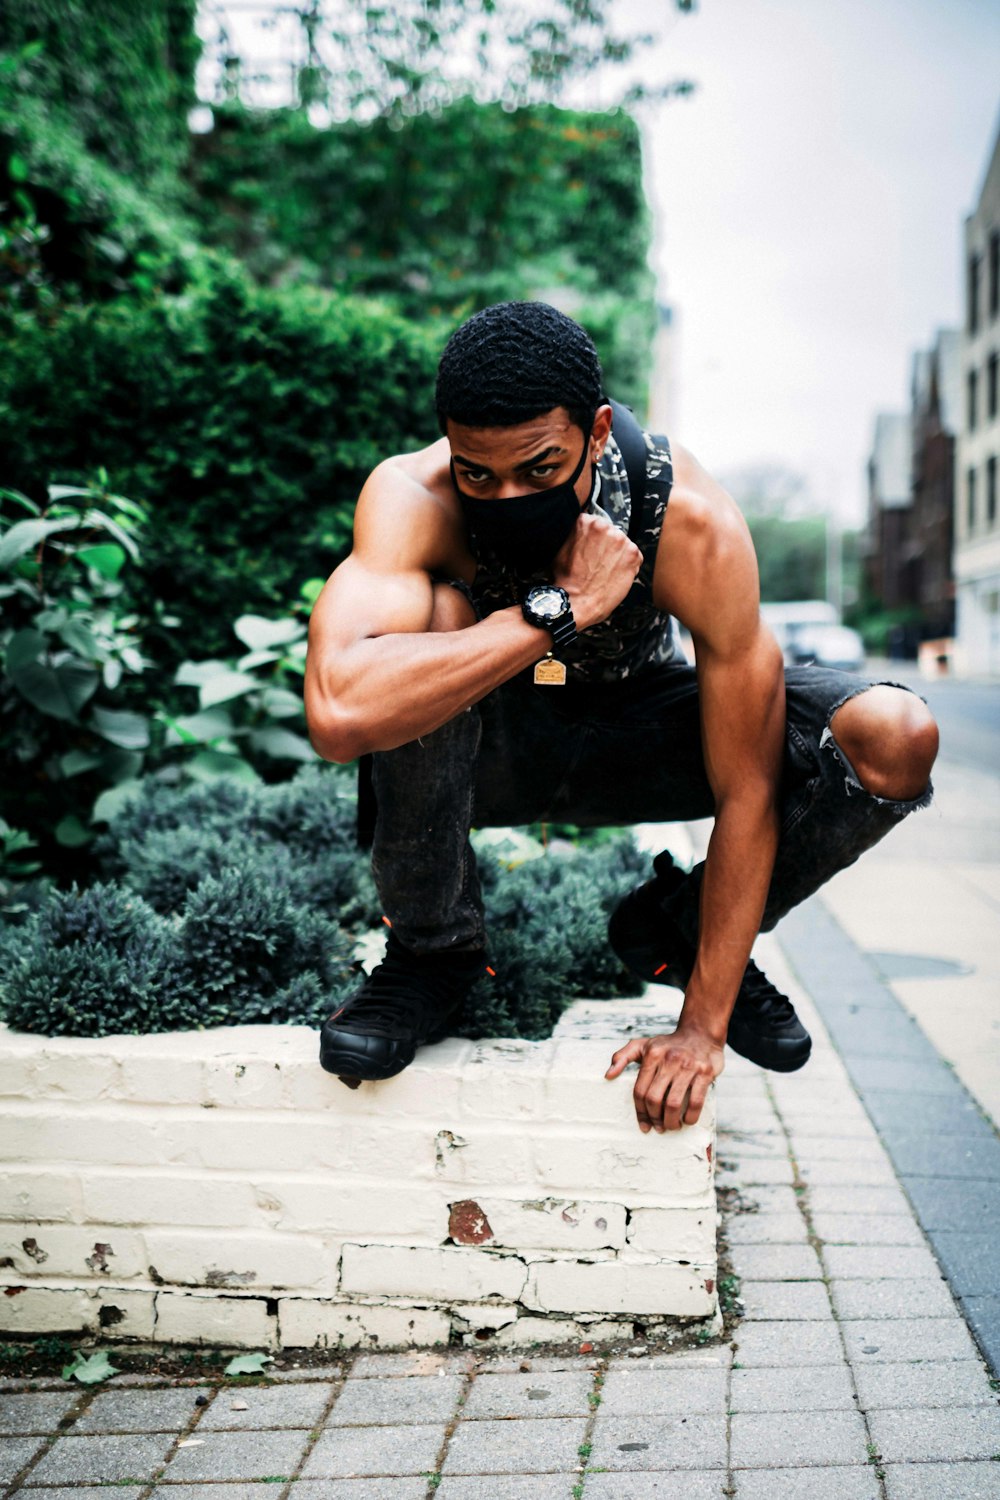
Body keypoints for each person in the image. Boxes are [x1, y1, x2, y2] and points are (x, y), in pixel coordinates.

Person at [304, 301, 938, 1132]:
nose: (507, 496)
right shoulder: (410, 497)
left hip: (640, 737)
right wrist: (552, 613)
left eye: (540, 468)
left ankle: (676, 925)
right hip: (490, 745)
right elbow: (340, 708)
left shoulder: (689, 522)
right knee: (426, 629)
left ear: (597, 431)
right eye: (477, 473)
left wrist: (703, 1026)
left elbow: (745, 787)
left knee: (894, 735)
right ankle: (433, 956)